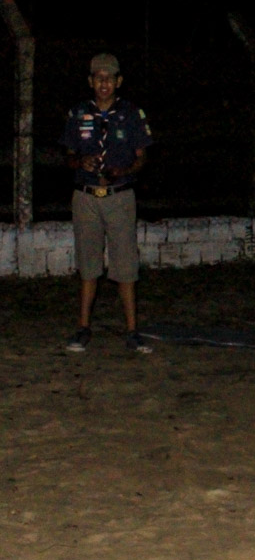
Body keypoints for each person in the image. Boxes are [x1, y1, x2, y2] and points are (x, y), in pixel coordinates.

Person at [61, 53, 154, 354]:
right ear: (91, 81)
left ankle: (132, 331)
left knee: (125, 265)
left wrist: (124, 171)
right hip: (86, 197)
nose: (104, 82)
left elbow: (142, 158)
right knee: (88, 265)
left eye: (110, 77)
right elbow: (68, 155)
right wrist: (80, 161)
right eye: (98, 77)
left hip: (120, 196)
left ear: (118, 82)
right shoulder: (77, 114)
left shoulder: (131, 113)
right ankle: (82, 328)